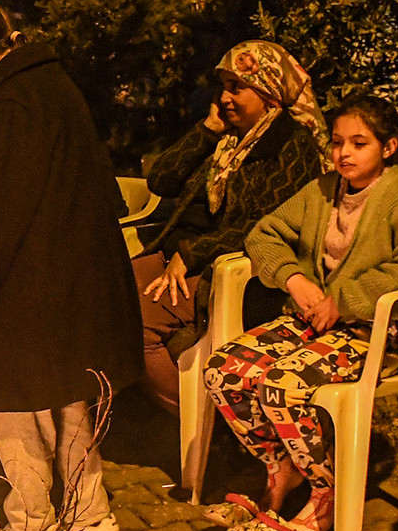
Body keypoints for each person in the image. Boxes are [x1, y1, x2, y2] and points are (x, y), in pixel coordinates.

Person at [0, 0, 143, 531]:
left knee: (13, 404)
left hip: (30, 282)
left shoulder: (12, 103)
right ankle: (90, 519)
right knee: (70, 399)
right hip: (78, 276)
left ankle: (33, 528)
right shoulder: (52, 84)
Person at [203, 95, 398, 531]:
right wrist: (293, 278)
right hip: (314, 326)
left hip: (372, 337)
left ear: (389, 147)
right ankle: (283, 470)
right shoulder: (322, 190)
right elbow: (263, 233)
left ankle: (325, 492)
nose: (345, 154)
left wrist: (347, 299)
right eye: (338, 142)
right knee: (223, 371)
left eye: (360, 143)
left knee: (280, 385)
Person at [135, 40, 329, 414]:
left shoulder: (292, 145)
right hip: (180, 254)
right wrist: (207, 131)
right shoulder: (226, 138)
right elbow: (161, 180)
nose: (224, 98)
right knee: (101, 296)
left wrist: (190, 255)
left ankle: (213, 423)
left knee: (135, 324)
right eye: (221, 86)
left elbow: (264, 224)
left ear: (270, 93)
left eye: (236, 87)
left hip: (228, 269)